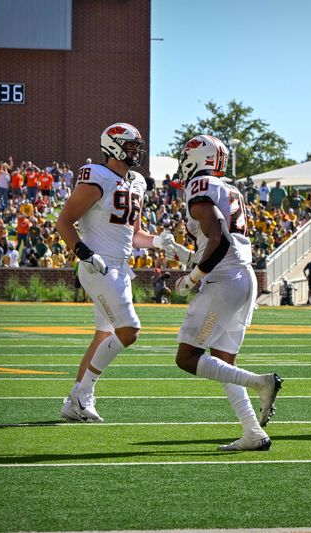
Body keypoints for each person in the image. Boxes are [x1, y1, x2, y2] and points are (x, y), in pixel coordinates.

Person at [56, 122, 187, 422]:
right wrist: (84, 252)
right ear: (113, 146)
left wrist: (158, 241)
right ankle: (81, 395)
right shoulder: (97, 177)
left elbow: (135, 234)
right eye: (130, 146)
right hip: (97, 265)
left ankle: (73, 401)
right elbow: (64, 222)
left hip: (120, 267)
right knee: (130, 331)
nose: (135, 151)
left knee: (104, 334)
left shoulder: (138, 182)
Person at [174, 134, 282, 451]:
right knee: (224, 362)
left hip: (223, 282)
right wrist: (185, 256)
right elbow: (221, 243)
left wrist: (193, 277)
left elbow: (219, 240)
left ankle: (261, 382)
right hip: (243, 278)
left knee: (187, 357)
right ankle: (253, 432)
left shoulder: (201, 186)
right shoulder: (228, 188)